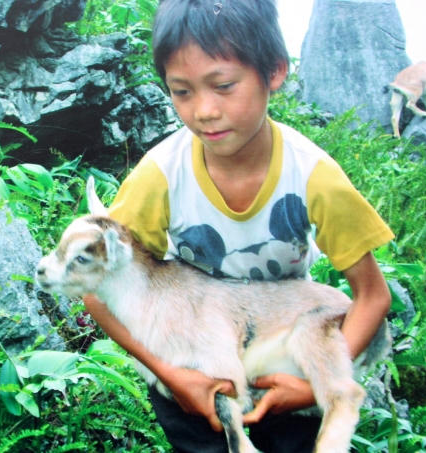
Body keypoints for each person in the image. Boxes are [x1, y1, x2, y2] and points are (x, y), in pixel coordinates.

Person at [82, 0, 393, 451]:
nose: (204, 110)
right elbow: (98, 289)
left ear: (275, 72)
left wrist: (313, 388)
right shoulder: (160, 175)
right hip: (198, 376)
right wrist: (172, 377)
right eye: (182, 91)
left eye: (223, 85)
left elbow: (372, 295)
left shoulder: (312, 176)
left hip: (282, 364)